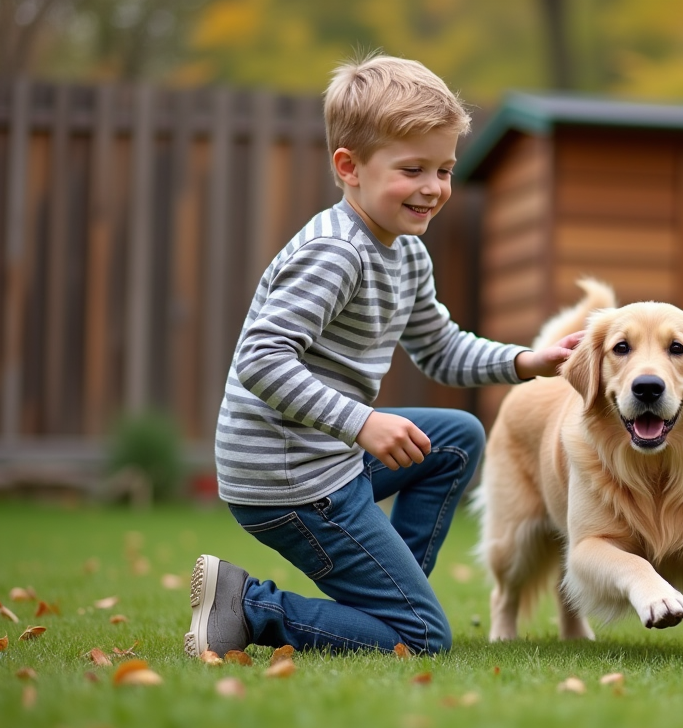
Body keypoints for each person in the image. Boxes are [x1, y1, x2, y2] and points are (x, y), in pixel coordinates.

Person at [185, 53, 580, 658]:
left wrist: (528, 361)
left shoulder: (405, 253)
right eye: (413, 169)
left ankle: (389, 597)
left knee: (455, 438)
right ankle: (249, 606)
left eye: (445, 169)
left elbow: (441, 348)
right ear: (350, 167)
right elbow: (261, 360)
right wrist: (362, 422)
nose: (433, 188)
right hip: (289, 478)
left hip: (325, 457)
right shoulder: (337, 254)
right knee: (421, 639)